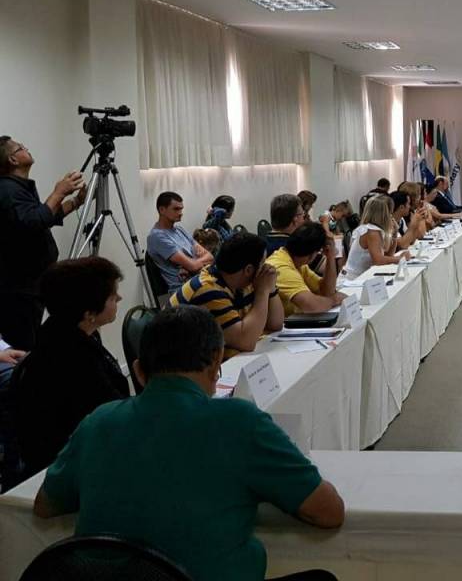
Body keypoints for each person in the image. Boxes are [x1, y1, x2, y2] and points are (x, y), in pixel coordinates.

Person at [33, 306, 344, 581]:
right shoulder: (239, 422)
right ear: (216, 364)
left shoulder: (98, 422)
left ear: (138, 371)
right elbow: (327, 512)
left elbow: (46, 506)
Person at [11, 257, 129, 486]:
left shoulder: (68, 333)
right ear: (89, 312)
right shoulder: (71, 359)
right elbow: (110, 416)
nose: (120, 298)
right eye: (113, 296)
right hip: (71, 466)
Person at [0, 136, 87, 350]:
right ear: (13, 159)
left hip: (33, 284)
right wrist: (59, 192)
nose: (26, 148)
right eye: (21, 147)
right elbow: (33, 221)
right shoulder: (7, 190)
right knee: (23, 348)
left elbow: (45, 216)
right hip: (20, 290)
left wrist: (76, 202)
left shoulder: (18, 187)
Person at [169, 233, 284, 359]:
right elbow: (246, 342)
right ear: (248, 270)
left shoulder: (242, 281)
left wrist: (270, 289)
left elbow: (275, 324)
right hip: (181, 361)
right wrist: (262, 292)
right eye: (263, 264)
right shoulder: (208, 289)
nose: (266, 268)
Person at [267, 224, 346, 316]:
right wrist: (334, 300)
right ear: (312, 255)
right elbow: (311, 306)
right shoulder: (281, 268)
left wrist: (330, 256)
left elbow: (326, 291)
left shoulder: (297, 262)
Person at [147, 191, 214, 291]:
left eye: (181, 209)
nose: (180, 213)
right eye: (176, 209)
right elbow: (193, 266)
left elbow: (210, 256)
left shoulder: (179, 230)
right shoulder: (157, 237)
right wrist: (195, 263)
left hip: (200, 280)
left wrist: (192, 264)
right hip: (184, 289)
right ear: (162, 210)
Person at [344, 195, 411, 277]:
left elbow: (388, 256)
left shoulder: (374, 229)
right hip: (353, 279)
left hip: (362, 276)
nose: (391, 216)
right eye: (390, 213)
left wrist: (394, 234)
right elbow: (378, 260)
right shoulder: (372, 231)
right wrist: (400, 259)